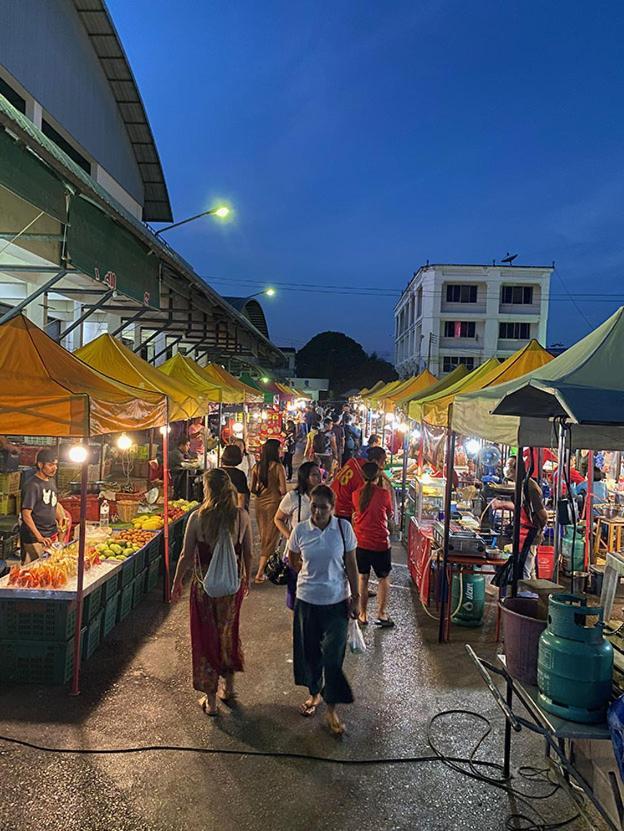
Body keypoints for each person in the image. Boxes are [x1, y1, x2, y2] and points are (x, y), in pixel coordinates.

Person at [171, 469, 252, 715]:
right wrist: (247, 577)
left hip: (203, 588)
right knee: (227, 633)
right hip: (231, 586)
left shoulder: (197, 518)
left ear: (208, 490)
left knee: (206, 638)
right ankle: (228, 688)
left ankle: (211, 701)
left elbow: (186, 555)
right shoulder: (241, 517)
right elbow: (247, 552)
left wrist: (176, 583)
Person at [288, 484, 359, 735]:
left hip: (337, 601)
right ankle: (314, 693)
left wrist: (357, 597)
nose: (318, 512)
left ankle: (331, 708)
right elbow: (293, 558)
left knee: (332, 657)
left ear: (333, 508)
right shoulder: (300, 530)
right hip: (307, 601)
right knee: (309, 653)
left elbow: (351, 563)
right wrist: (309, 575)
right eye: (315, 506)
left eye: (323, 507)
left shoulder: (343, 529)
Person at [352, 462, 395, 628]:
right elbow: (389, 514)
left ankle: (363, 614)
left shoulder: (356, 494)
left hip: (361, 542)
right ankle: (382, 614)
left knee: (362, 578)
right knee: (383, 578)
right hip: (380, 543)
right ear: (378, 477)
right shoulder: (384, 494)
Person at [20, 448, 69, 563]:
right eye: (50, 465)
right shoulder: (32, 485)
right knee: (36, 571)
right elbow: (26, 514)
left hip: (50, 534)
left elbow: (54, 503)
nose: (54, 468)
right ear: (40, 464)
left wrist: (61, 523)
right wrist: (39, 537)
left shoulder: (51, 481)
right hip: (34, 538)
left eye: (56, 465)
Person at [251, 438, 287, 582]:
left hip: (259, 504)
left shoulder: (257, 466)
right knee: (270, 538)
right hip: (274, 504)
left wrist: (262, 488)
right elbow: (283, 490)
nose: (281, 451)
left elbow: (252, 489)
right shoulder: (278, 467)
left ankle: (263, 568)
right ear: (274, 451)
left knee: (264, 536)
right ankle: (260, 572)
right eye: (280, 449)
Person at [331, 446, 388, 522]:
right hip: (341, 509)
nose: (384, 465)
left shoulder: (353, 460)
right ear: (375, 462)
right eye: (383, 461)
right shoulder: (364, 477)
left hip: (332, 499)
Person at [220, 444, 250, 511]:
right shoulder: (239, 474)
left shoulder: (217, 472)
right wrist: (240, 513)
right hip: (232, 510)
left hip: (218, 508)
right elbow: (241, 496)